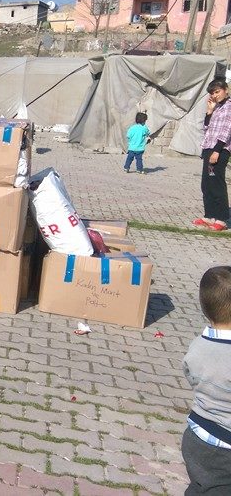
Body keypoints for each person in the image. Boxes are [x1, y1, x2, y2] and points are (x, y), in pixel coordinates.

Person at [182, 266, 231, 493]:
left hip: (196, 437)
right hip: (225, 450)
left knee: (200, 486)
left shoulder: (198, 345)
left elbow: (193, 377)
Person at [197, 80, 231, 232]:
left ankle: (222, 218)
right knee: (207, 183)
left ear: (226, 90)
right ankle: (209, 215)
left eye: (217, 91)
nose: (215, 95)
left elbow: (227, 130)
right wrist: (209, 112)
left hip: (220, 150)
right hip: (209, 149)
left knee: (217, 183)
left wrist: (217, 150)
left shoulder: (229, 107)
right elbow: (206, 129)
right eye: (212, 93)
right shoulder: (216, 107)